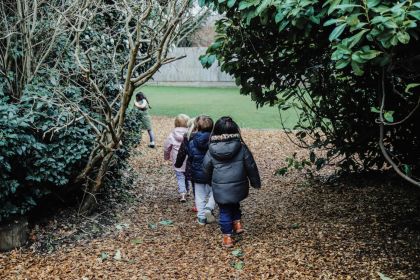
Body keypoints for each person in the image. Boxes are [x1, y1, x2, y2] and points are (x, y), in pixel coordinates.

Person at [203, 116, 261, 248]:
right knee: (234, 203)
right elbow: (251, 165)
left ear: (216, 131)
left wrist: (209, 182)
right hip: (238, 184)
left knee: (224, 210)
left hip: (220, 186)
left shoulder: (211, 149)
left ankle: (227, 237)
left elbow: (206, 168)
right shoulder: (241, 147)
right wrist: (255, 182)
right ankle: (237, 223)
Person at [185, 115, 216, 225]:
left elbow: (191, 156)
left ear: (197, 127)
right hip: (212, 172)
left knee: (199, 195)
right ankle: (209, 206)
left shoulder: (192, 142)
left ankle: (201, 217)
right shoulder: (214, 142)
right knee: (215, 191)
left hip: (198, 173)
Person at [164, 114, 190, 202]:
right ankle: (188, 190)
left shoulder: (172, 134)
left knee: (180, 176)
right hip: (188, 158)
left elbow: (167, 147)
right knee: (187, 174)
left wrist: (166, 157)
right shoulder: (190, 134)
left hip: (177, 159)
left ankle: (182, 194)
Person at [175, 117, 197, 211]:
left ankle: (198, 205)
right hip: (208, 167)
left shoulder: (187, 137)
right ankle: (209, 206)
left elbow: (182, 152)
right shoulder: (210, 137)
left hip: (192, 166)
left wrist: (178, 164)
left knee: (196, 186)